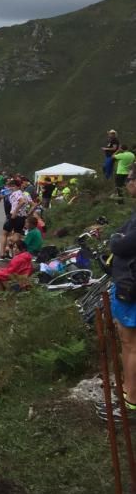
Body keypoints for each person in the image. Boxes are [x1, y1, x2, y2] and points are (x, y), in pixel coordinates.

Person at [100, 166, 136, 423]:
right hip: (128, 284)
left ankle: (130, 398)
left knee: (130, 343)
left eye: (131, 178)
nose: (127, 183)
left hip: (131, 287)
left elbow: (122, 243)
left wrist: (115, 239)